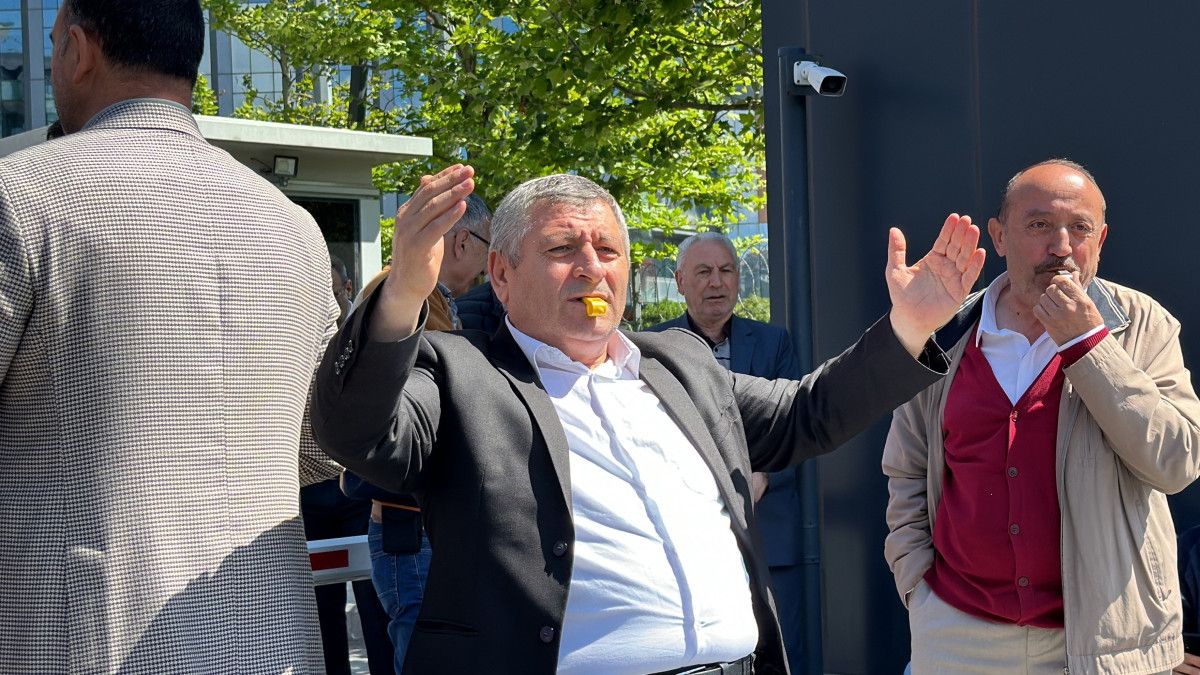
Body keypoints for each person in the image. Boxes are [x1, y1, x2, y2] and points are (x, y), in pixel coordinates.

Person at [312, 166, 985, 674]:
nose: (591, 268)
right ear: (502, 273)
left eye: (608, 250)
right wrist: (403, 290)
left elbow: (806, 412)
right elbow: (353, 431)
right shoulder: (461, 373)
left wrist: (908, 327)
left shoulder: (679, 362)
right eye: (562, 249)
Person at [0, 0, 341, 670]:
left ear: (79, 49)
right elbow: (322, 445)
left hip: (81, 637)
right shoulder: (292, 226)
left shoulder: (21, 196)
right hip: (272, 636)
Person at [882, 159, 1200, 674]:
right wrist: (919, 587)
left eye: (1080, 228)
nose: (1061, 246)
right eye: (1039, 225)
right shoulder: (945, 333)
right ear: (999, 236)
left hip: (1103, 642)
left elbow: (1176, 463)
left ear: (1101, 239)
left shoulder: (1142, 327)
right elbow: (906, 470)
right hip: (957, 636)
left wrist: (1089, 344)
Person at [341, 192, 492, 672]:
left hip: (421, 523)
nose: (490, 265)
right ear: (463, 242)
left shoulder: (431, 299)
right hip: (411, 525)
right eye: (488, 246)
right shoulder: (404, 296)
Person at [648, 231, 807, 671]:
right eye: (703, 272)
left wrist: (764, 476)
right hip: (686, 537)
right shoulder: (652, 347)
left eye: (726, 270)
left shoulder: (774, 343)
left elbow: (795, 423)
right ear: (680, 281)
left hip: (768, 534)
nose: (716, 282)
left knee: (782, 656)